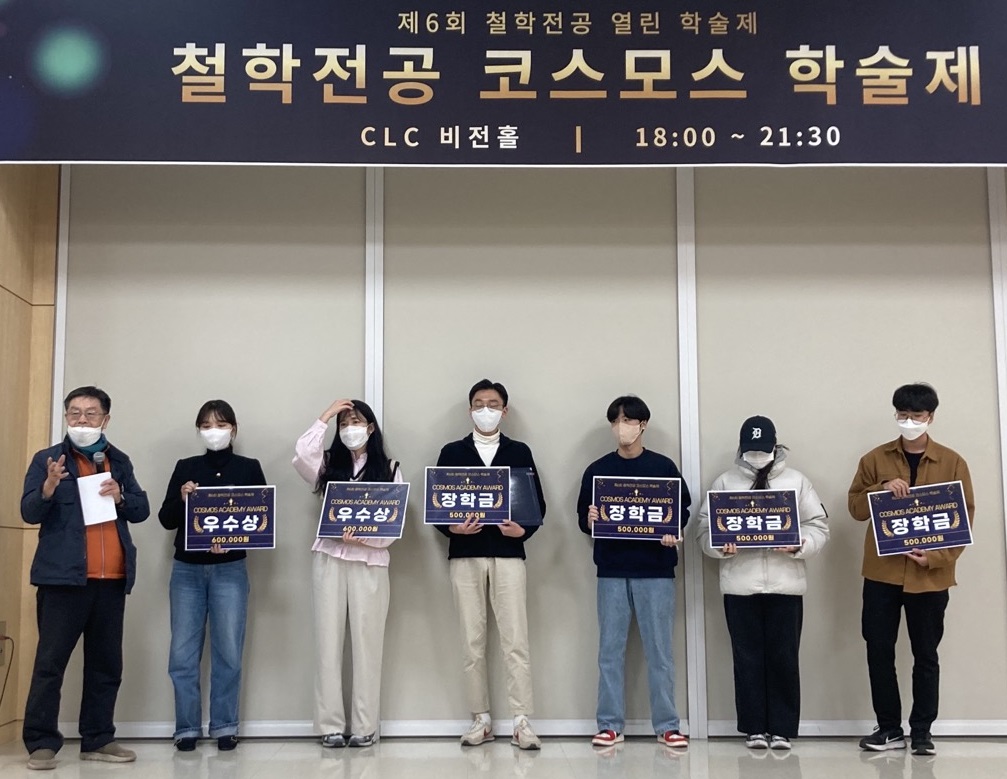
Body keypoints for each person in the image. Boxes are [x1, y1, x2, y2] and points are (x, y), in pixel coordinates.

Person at [20, 386, 150, 771]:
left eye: (91, 413)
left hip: (111, 580)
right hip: (63, 580)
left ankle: (98, 738)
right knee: (50, 664)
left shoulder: (118, 461)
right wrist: (47, 487)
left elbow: (141, 509)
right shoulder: (47, 460)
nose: (82, 420)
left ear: (105, 420)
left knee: (106, 665)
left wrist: (120, 495)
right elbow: (28, 512)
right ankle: (41, 742)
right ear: (66, 417)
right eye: (74, 413)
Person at [848, 383, 975, 756]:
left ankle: (922, 732)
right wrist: (881, 488)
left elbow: (963, 518)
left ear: (930, 417)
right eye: (902, 415)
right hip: (881, 574)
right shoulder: (874, 459)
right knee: (878, 650)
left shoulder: (953, 462)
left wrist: (935, 558)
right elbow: (855, 508)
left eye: (916, 416)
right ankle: (889, 728)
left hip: (930, 578)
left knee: (926, 655)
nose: (909, 422)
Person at [696, 416, 830, 751]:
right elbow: (703, 530)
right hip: (740, 586)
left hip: (786, 585)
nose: (757, 456)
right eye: (751, 450)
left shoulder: (797, 481)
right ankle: (754, 727)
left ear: (775, 446)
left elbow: (818, 525)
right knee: (747, 658)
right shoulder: (725, 482)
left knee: (785, 658)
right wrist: (719, 547)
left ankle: (782, 728)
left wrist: (800, 544)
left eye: (763, 449)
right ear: (741, 448)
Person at [434, 379, 546, 750]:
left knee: (516, 639)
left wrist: (523, 531)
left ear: (504, 410)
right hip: (465, 554)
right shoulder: (452, 452)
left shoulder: (519, 451)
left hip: (508, 554)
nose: (486, 410)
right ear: (470, 410)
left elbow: (537, 505)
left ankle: (521, 720)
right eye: (479, 404)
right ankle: (480, 719)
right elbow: (438, 505)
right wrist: (452, 528)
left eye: (493, 404)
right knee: (472, 640)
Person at [577, 395, 691, 750]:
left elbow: (682, 511)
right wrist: (591, 519)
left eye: (628, 420)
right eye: (616, 421)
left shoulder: (663, 467)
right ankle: (609, 724)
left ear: (643, 425)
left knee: (660, 652)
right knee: (610, 652)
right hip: (612, 569)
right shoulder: (597, 471)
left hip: (656, 570)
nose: (621, 427)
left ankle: (668, 725)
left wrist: (673, 532)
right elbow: (583, 518)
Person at [157, 400, 266, 752]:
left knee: (229, 650)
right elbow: (166, 519)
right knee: (182, 653)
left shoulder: (249, 468)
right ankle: (186, 727)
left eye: (220, 425)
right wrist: (182, 498)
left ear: (233, 429)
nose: (213, 431)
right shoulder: (185, 467)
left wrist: (231, 541)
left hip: (229, 569)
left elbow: (261, 519)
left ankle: (225, 725)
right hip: (187, 569)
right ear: (198, 430)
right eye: (206, 425)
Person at [293, 398, 401, 748]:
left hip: (371, 563)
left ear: (370, 428)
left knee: (368, 643)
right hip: (330, 558)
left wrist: (364, 537)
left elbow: (393, 525)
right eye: (344, 424)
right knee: (327, 642)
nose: (350, 429)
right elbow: (302, 455)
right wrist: (325, 417)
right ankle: (330, 726)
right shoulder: (327, 464)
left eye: (356, 422)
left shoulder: (390, 469)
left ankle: (366, 726)